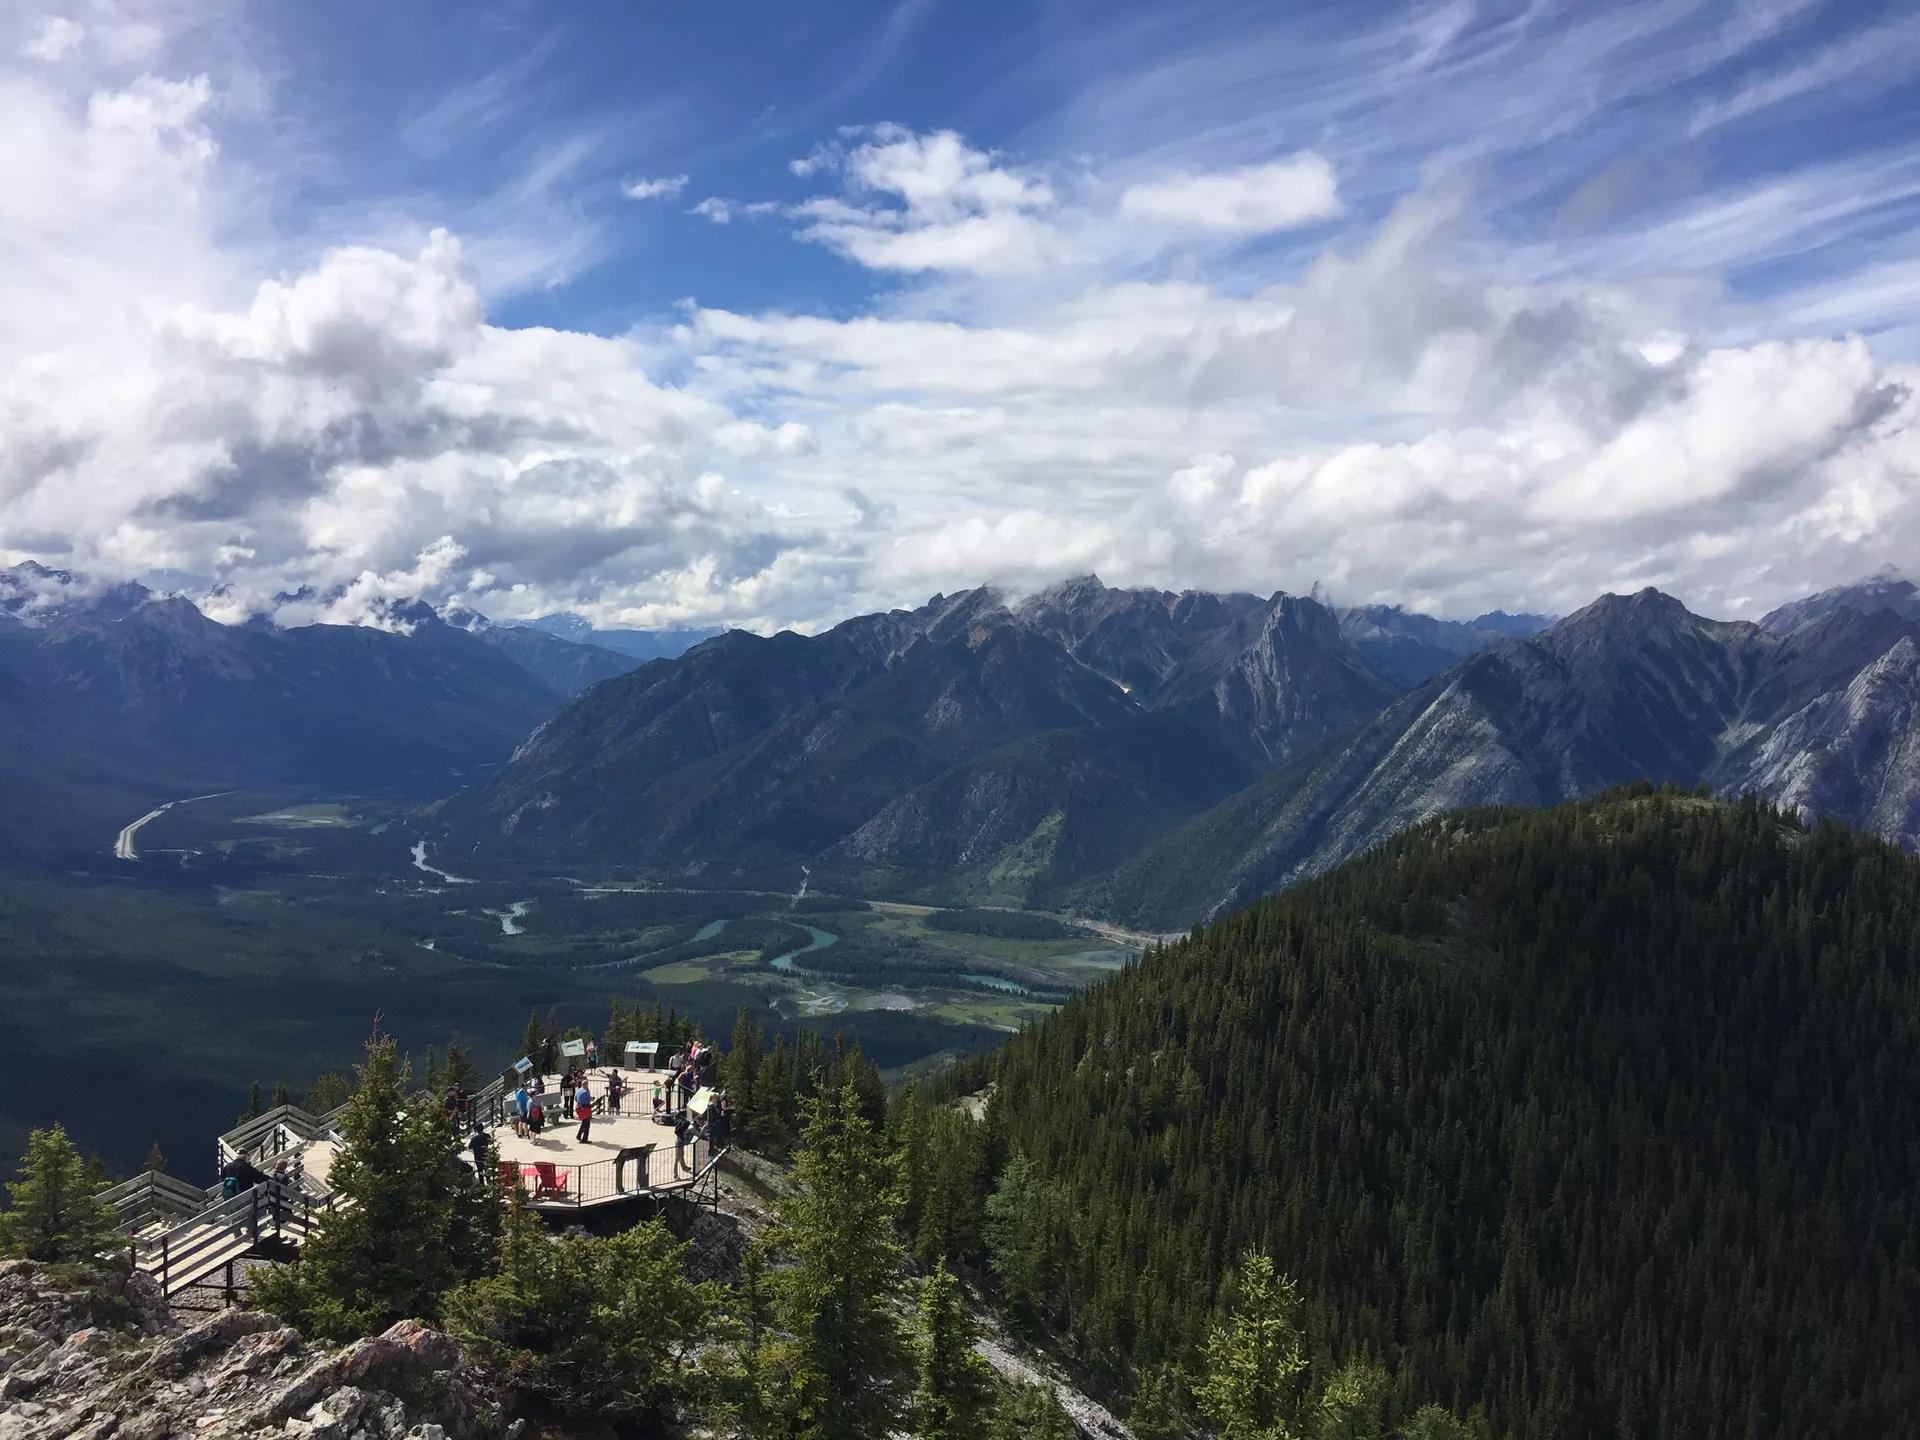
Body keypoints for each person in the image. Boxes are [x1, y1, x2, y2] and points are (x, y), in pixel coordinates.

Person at [673, 1111, 694, 1177]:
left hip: (679, 1141)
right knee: (677, 1158)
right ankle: (675, 1174)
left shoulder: (679, 1122)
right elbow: (677, 1132)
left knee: (681, 1154)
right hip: (679, 1142)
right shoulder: (684, 1123)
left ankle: (684, 1167)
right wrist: (683, 1138)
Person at [575, 1079, 593, 1143]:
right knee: (587, 1125)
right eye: (587, 1084)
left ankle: (579, 1135)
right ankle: (584, 1139)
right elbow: (588, 1100)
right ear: (585, 1084)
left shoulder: (578, 1090)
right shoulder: (585, 1092)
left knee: (584, 1123)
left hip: (579, 1108)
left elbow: (576, 1099)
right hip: (585, 1109)